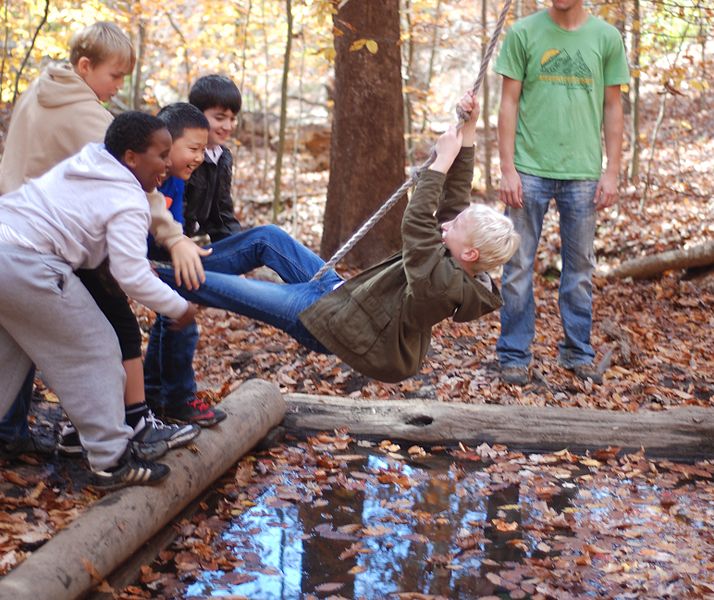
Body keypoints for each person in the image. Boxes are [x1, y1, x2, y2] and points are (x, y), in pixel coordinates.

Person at [152, 91, 520, 383]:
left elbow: (417, 225)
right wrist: (468, 131)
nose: (447, 225)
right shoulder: (460, 256)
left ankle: (143, 274)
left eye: (455, 228)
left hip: (331, 326)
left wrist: (441, 162)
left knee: (213, 286)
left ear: (468, 253)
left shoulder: (442, 285)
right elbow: (455, 201)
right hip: (341, 296)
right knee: (267, 237)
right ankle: (177, 256)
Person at [0, 22, 205, 458]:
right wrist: (174, 239)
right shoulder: (88, 116)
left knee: (21, 338)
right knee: (110, 333)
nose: (118, 86)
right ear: (85, 65)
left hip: (18, 227)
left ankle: (18, 429)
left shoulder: (38, 91)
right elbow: (138, 187)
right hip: (52, 242)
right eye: (115, 75)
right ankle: (124, 428)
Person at [494, 0, 630, 386]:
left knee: (581, 269)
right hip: (529, 168)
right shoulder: (523, 33)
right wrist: (507, 169)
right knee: (517, 266)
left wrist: (612, 172)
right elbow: (508, 102)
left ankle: (576, 351)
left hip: (583, 171)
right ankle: (514, 355)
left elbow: (613, 106)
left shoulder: (606, 37)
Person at [144, 102, 227, 427]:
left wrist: (184, 248)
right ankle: (175, 398)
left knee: (176, 319)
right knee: (178, 320)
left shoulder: (177, 181)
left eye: (203, 150)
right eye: (193, 148)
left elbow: (173, 230)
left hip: (158, 260)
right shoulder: (144, 175)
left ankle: (157, 396)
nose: (199, 157)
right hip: (120, 262)